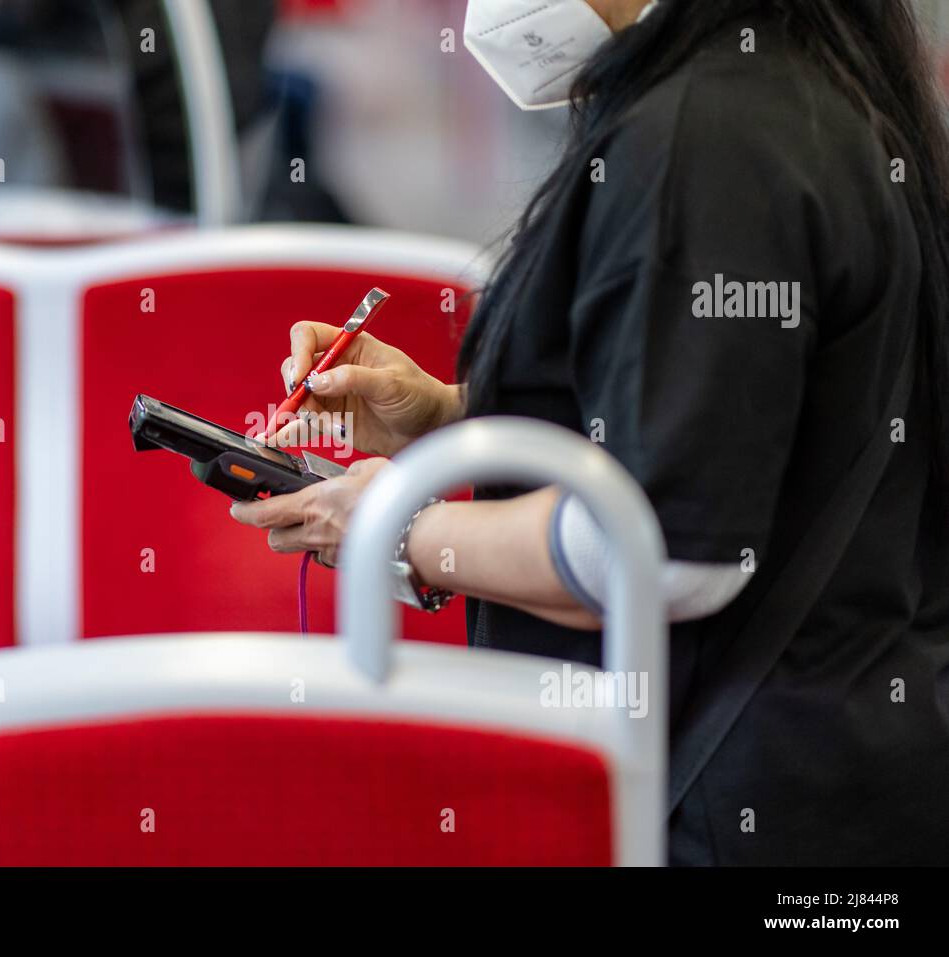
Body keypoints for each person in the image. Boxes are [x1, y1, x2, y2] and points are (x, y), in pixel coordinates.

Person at [229, 0, 949, 865]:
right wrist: (450, 417)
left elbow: (664, 546)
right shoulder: (790, 89)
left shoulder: (705, 140)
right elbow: (741, 424)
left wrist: (402, 526)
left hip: (741, 811)